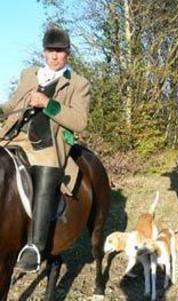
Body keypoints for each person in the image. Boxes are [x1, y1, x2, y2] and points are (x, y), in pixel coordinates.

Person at [0, 26, 91, 272]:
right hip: (15, 136)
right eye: (51, 50)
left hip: (48, 144)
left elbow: (80, 121)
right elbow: (14, 103)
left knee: (47, 171)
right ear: (44, 52)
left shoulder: (78, 84)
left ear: (68, 54)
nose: (54, 56)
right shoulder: (29, 74)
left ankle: (35, 247)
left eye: (60, 51)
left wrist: (49, 104)